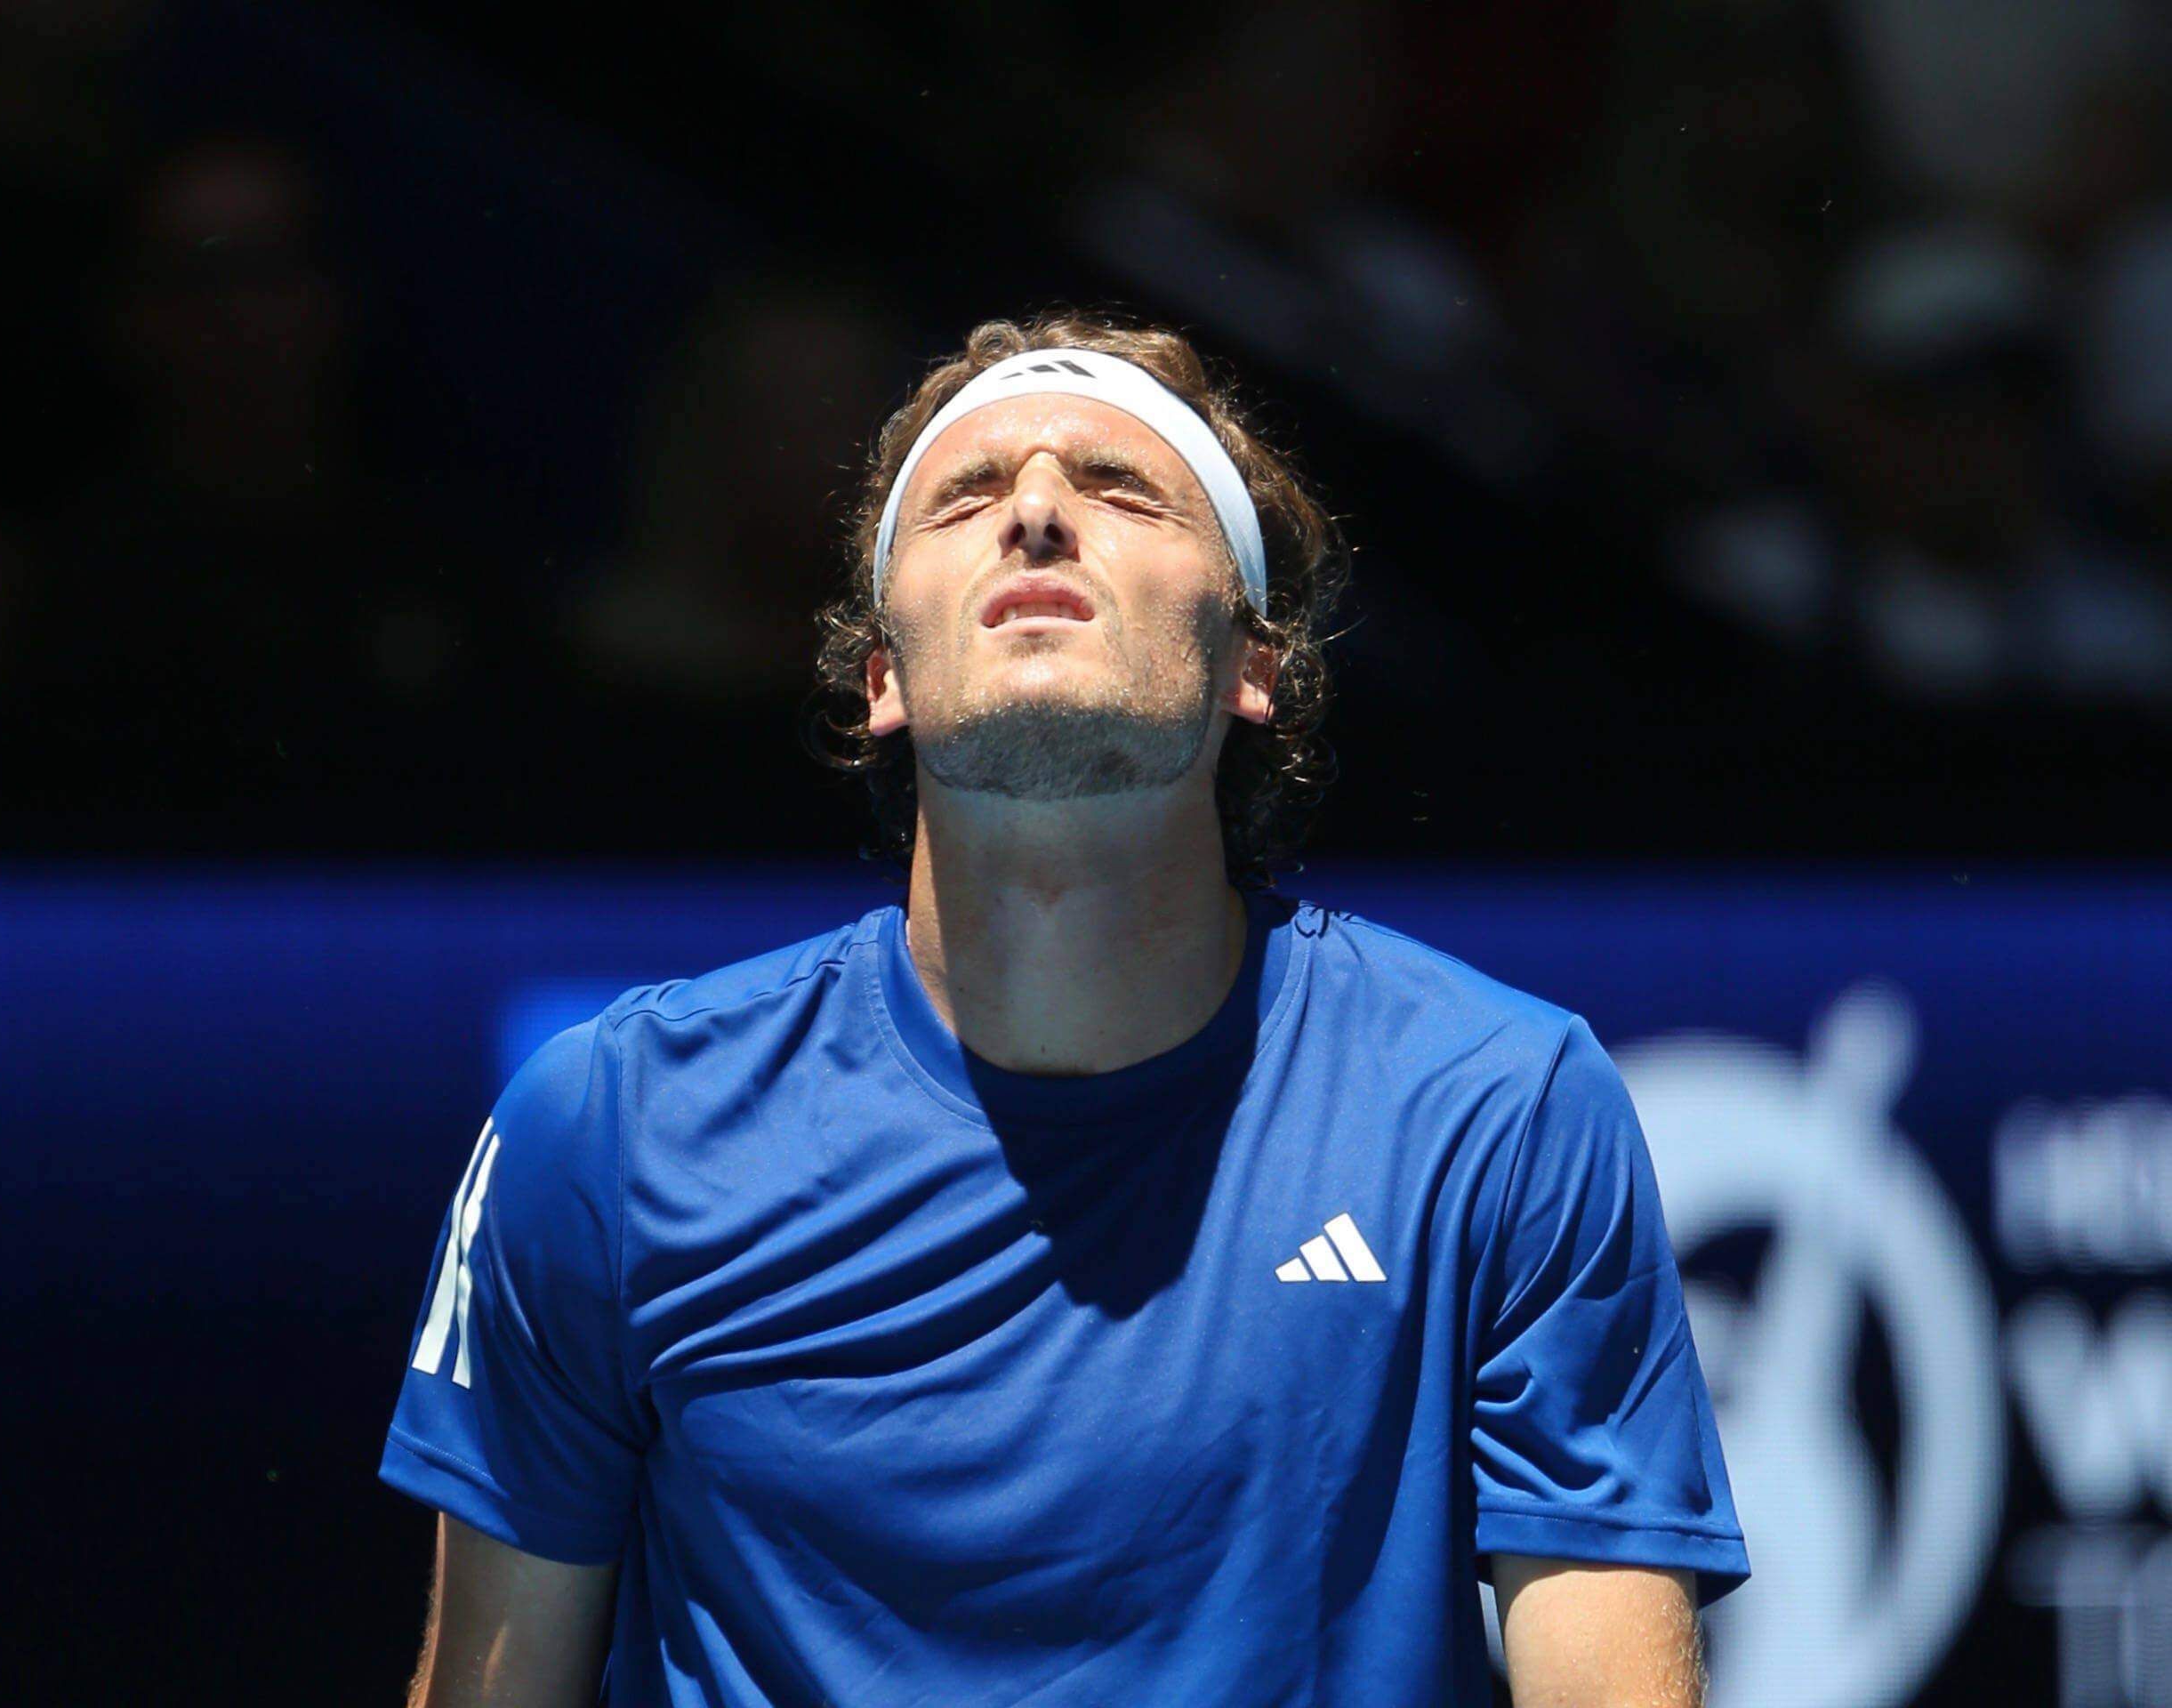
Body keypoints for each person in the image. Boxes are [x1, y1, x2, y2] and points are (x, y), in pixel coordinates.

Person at [378, 311, 1750, 1707]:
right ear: (884, 679)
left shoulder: (1500, 1106)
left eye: (1121, 489)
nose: (1034, 511)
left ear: (1253, 665)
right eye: (965, 499)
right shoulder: (604, 1124)